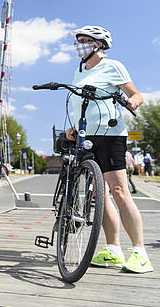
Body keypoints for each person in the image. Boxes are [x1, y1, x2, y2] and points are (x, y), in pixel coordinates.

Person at [65, 26, 152, 274]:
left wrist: (132, 101)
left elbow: (136, 94)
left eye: (84, 41)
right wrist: (73, 128)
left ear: (99, 45)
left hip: (111, 134)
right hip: (86, 135)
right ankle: (113, 249)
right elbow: (80, 103)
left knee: (118, 191)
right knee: (98, 194)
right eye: (78, 41)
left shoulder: (113, 66)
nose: (79, 45)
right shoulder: (79, 71)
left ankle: (140, 252)